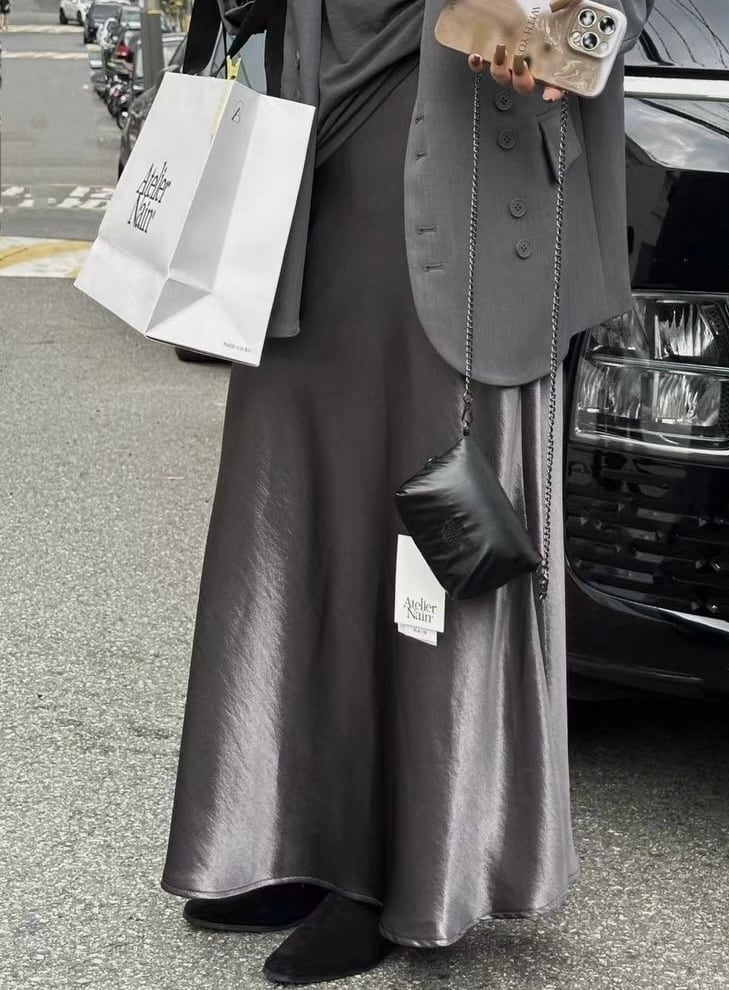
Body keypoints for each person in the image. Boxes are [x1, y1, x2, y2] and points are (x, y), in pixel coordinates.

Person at [161, 0, 655, 985]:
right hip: (306, 148)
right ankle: (293, 832)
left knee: (430, 511)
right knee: (292, 498)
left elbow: (607, 14)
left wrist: (567, 32)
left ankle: (404, 864)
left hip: (470, 149)